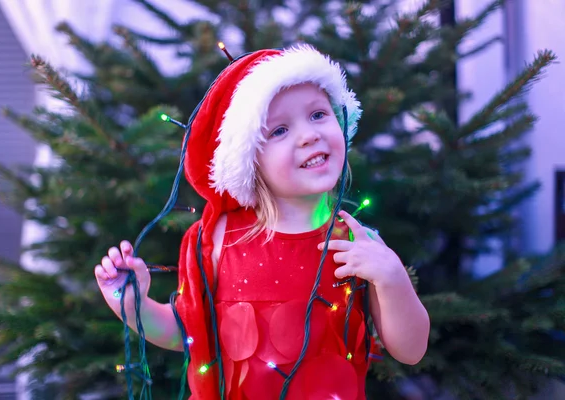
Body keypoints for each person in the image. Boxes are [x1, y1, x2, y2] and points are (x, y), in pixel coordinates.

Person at [95, 44, 430, 400]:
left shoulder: (357, 243)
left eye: (318, 115)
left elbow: (411, 350)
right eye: (279, 130)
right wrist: (131, 304)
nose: (308, 135)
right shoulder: (216, 239)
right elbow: (186, 335)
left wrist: (392, 277)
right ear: (248, 160)